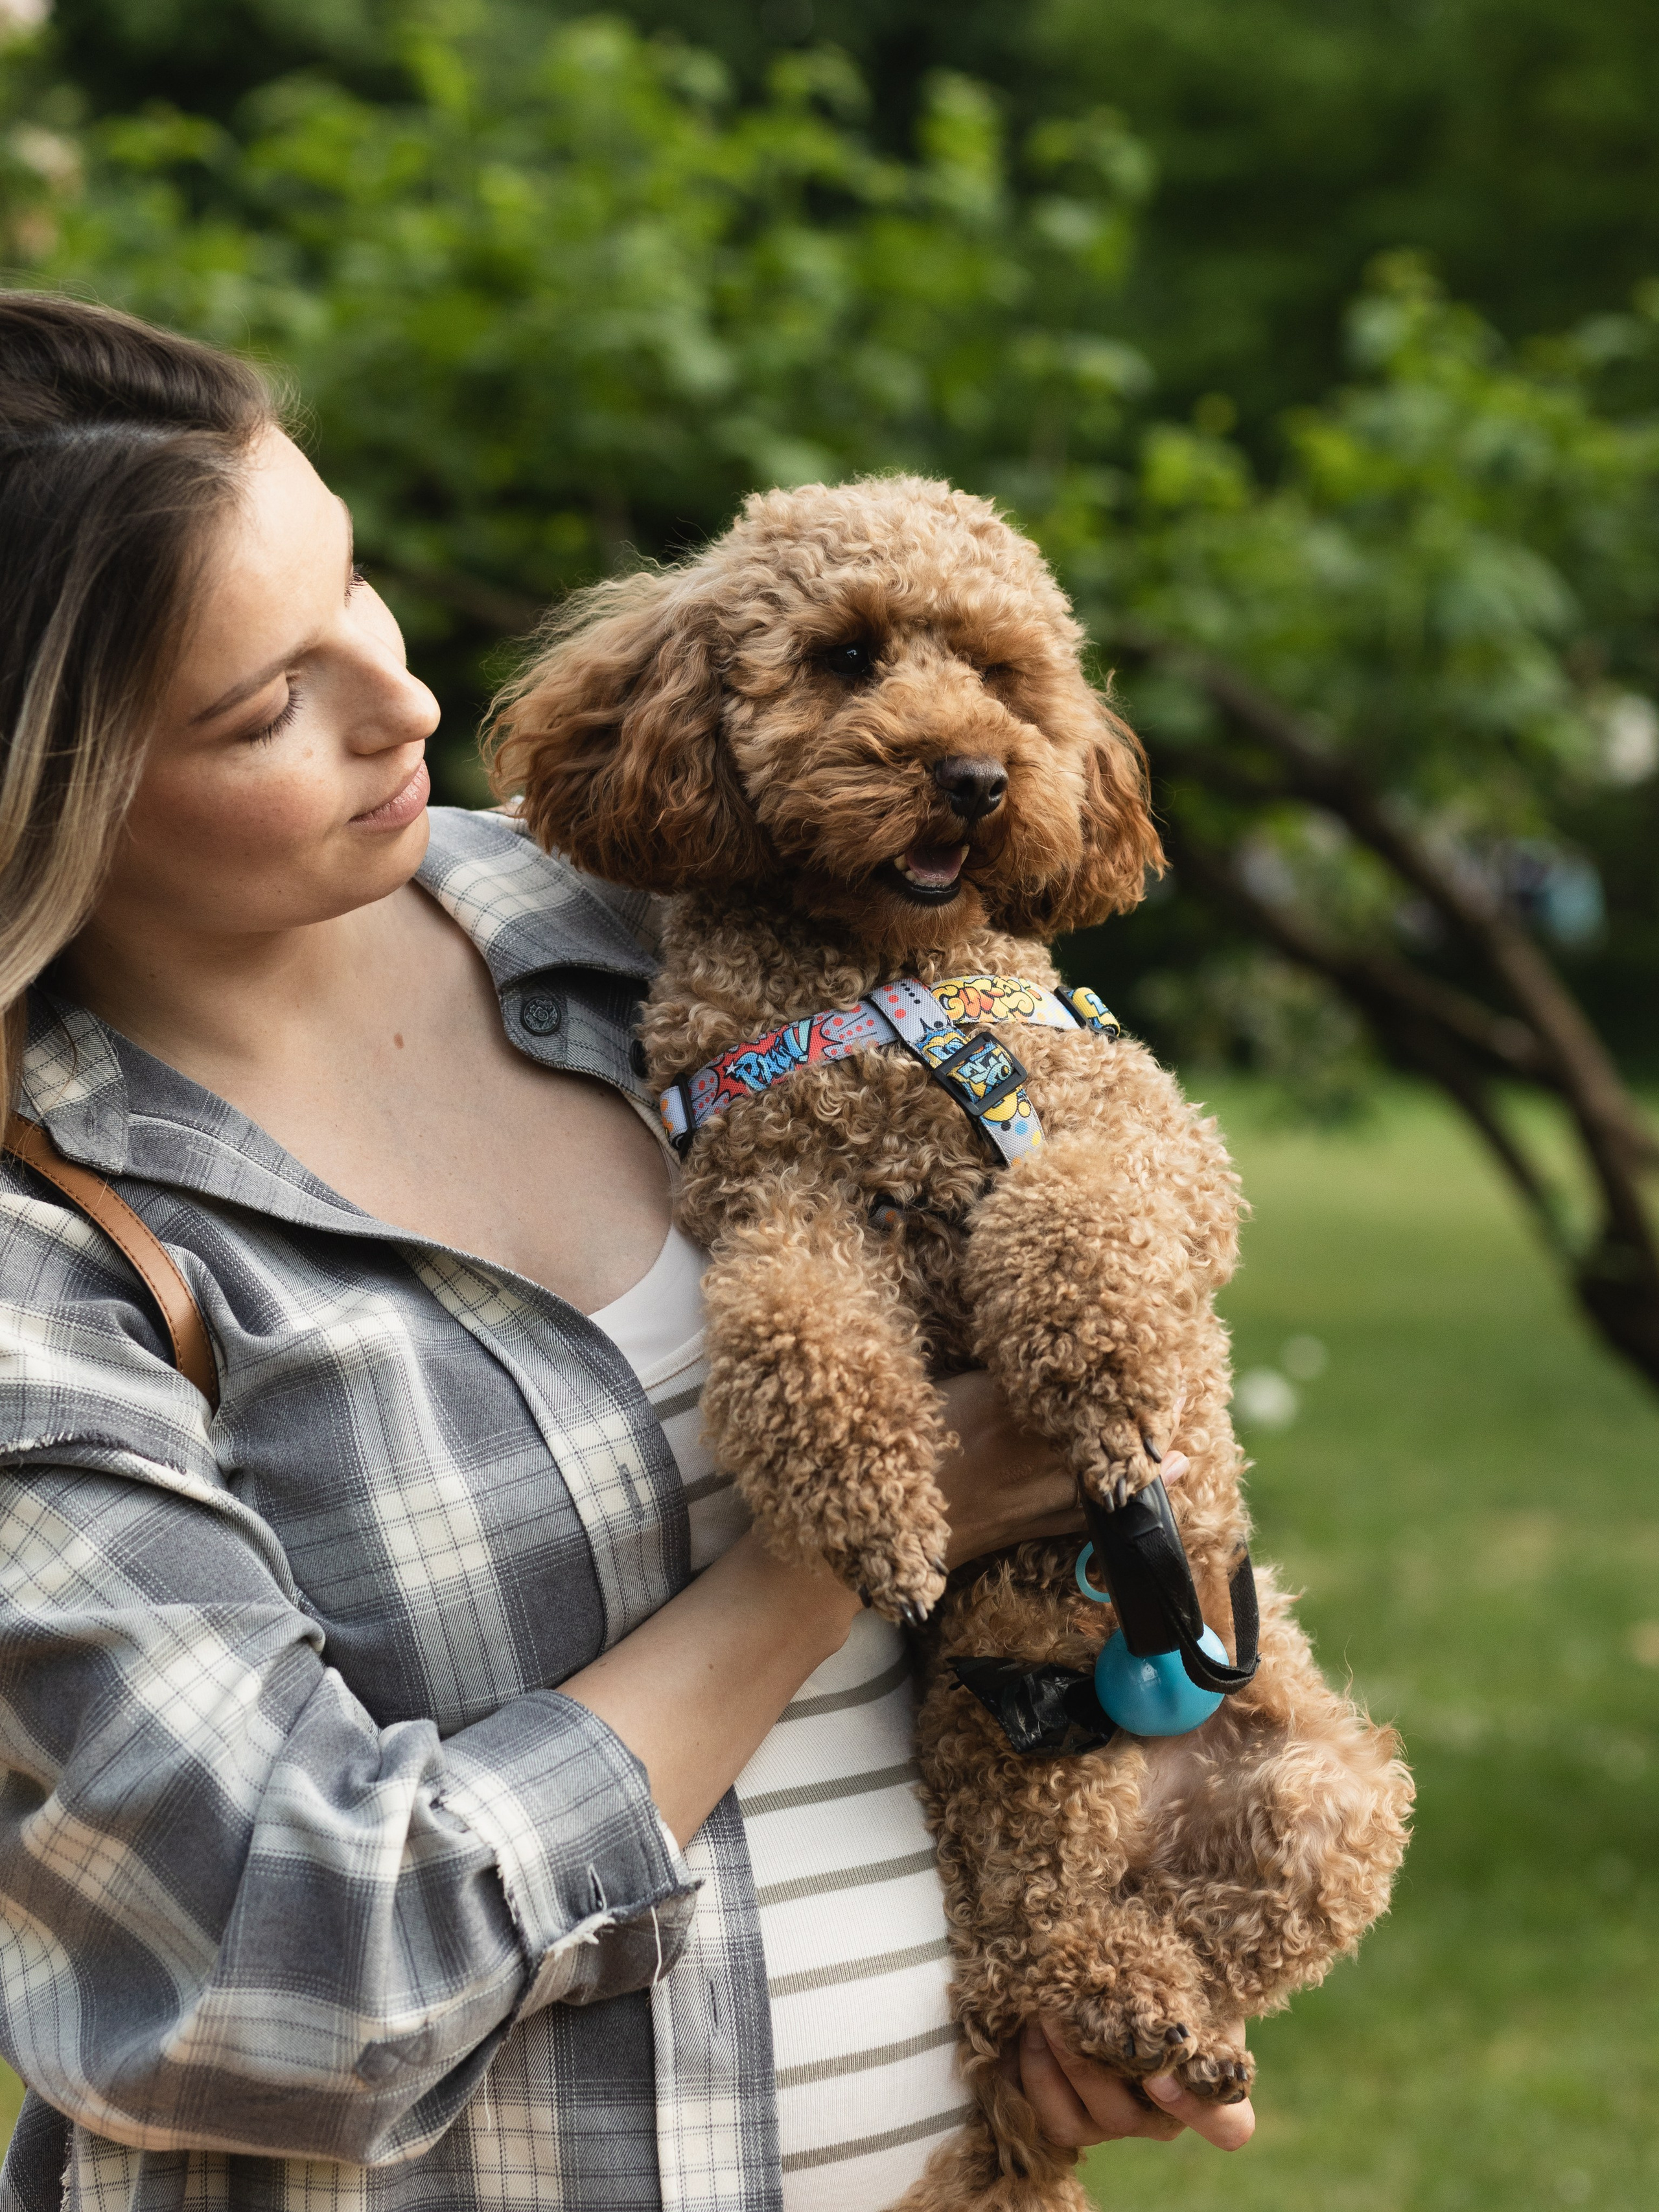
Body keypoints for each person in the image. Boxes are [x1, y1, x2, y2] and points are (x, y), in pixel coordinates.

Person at [0, 294, 1254, 2212]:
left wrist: (1116, 1877)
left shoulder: (659, 922)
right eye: (266, 707)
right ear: (46, 788)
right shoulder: (52, 1255)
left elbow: (1103, 1408)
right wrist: (830, 1557)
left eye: (356, 590)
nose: (405, 706)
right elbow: (285, 1964)